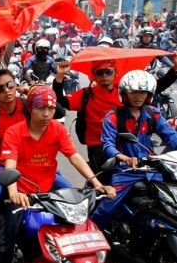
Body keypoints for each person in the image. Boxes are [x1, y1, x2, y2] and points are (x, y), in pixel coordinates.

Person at [0, 86, 116, 263]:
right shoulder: (14, 132)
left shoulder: (57, 129)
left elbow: (75, 157)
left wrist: (96, 183)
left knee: (75, 227)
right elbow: (10, 165)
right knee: (4, 248)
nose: (47, 114)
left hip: (48, 189)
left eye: (51, 108)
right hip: (22, 194)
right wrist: (14, 193)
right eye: (41, 108)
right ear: (30, 108)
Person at [0, 70, 70, 253]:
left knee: (66, 187)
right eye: (0, 88)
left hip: (33, 162)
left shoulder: (28, 104)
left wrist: (37, 92)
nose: (7, 91)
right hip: (1, 164)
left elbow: (58, 112)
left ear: (16, 85)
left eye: (10, 85)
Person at [53, 55, 177, 183]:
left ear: (115, 73)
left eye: (108, 72)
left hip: (130, 142)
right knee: (106, 186)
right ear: (94, 75)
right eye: (100, 73)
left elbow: (156, 87)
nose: (104, 76)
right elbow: (60, 102)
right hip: (100, 144)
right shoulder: (87, 95)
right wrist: (59, 78)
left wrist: (174, 69)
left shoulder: (129, 90)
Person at [91, 70, 177, 230]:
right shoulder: (113, 117)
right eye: (134, 92)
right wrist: (123, 158)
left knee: (169, 202)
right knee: (106, 207)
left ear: (149, 94)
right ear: (125, 93)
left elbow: (171, 137)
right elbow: (107, 145)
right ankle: (94, 234)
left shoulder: (153, 114)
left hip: (151, 168)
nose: (138, 96)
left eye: (143, 92)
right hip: (124, 171)